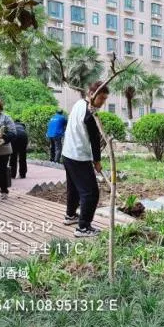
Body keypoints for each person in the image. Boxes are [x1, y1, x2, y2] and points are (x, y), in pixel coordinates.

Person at [61, 82, 109, 237]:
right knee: (91, 193)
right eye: (101, 98)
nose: (103, 102)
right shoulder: (90, 114)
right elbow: (95, 140)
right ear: (91, 94)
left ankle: (70, 216)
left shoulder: (79, 104)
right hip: (79, 157)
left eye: (105, 99)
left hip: (68, 154)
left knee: (74, 187)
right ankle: (83, 227)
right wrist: (97, 161)